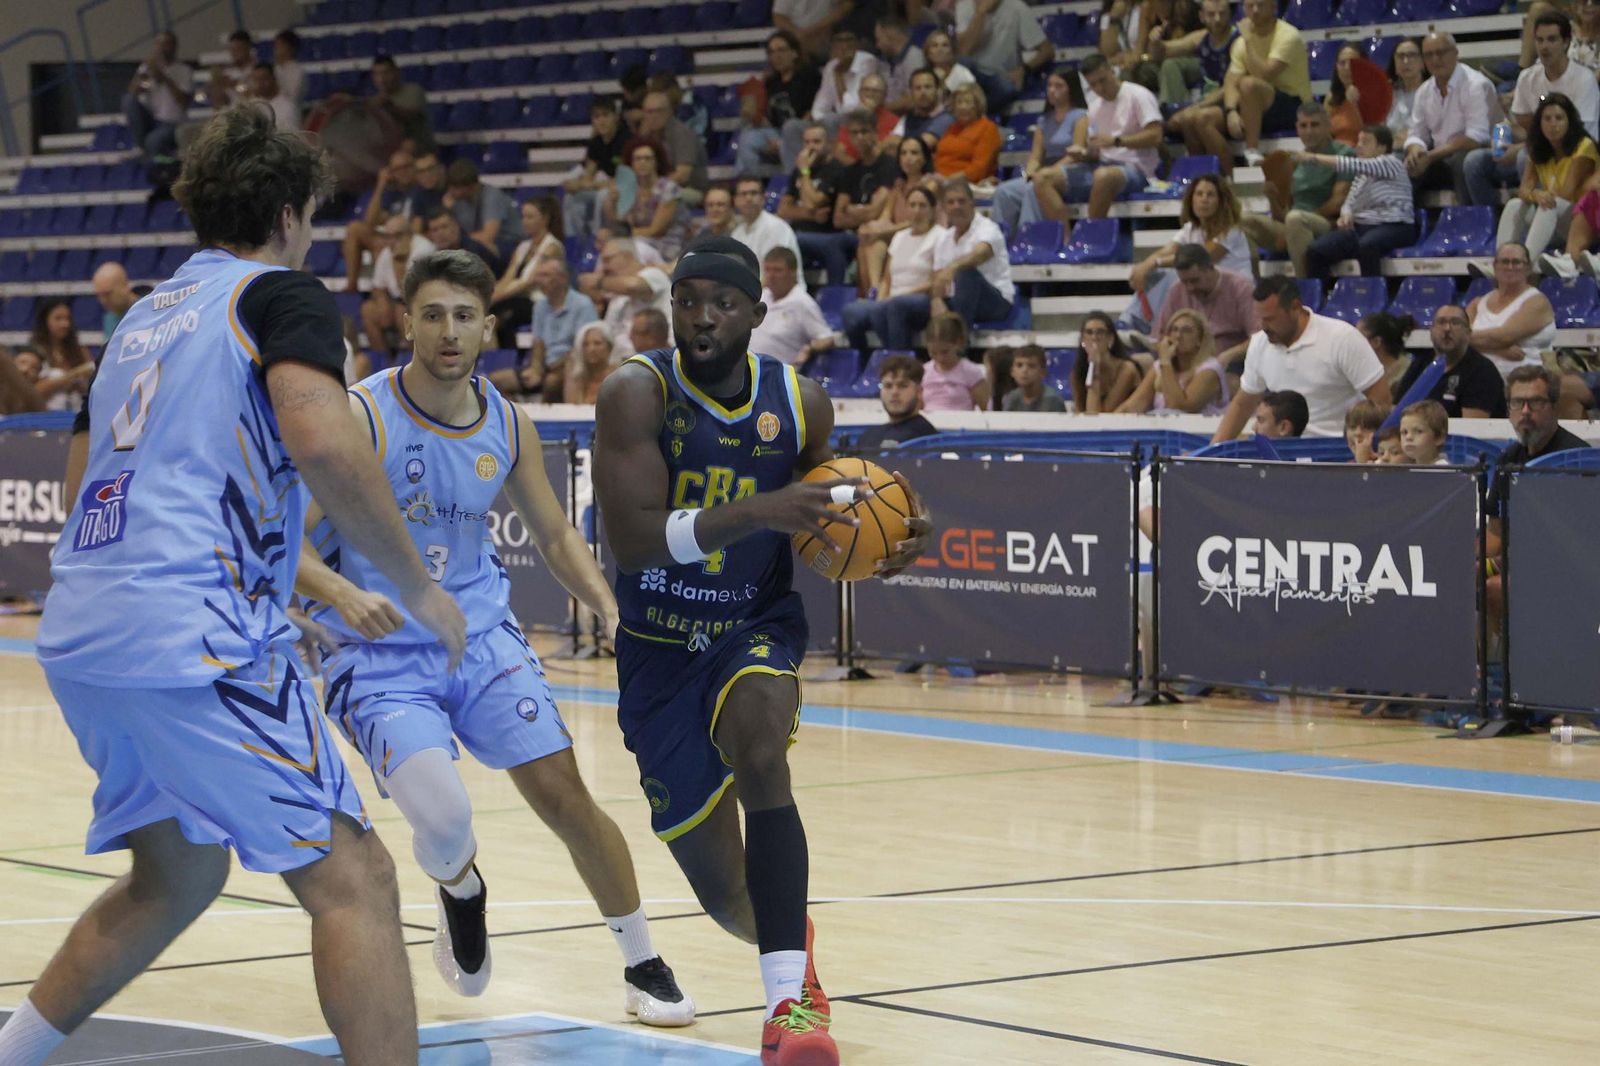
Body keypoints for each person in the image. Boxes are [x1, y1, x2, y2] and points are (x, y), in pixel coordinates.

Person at [0, 105, 468, 1066]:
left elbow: (81, 486)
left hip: (83, 631)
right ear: (293, 214)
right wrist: (421, 589)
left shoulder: (137, 321)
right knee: (357, 878)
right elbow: (326, 444)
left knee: (173, 876)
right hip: (192, 636)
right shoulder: (280, 297)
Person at [294, 250, 690, 1021]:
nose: (449, 331)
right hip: (378, 657)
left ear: (488, 328)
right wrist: (341, 591)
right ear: (406, 320)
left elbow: (554, 533)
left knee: (566, 797)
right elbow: (288, 543)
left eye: (465, 316)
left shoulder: (507, 421)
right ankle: (460, 885)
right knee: (444, 818)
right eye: (433, 314)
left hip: (481, 639)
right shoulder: (360, 417)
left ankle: (643, 962)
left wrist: (608, 606)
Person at [591, 234, 928, 1064]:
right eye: (686, 300)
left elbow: (827, 511)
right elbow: (632, 543)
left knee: (762, 753)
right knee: (729, 895)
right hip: (659, 650)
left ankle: (789, 1011)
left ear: (756, 311)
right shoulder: (635, 392)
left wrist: (882, 542)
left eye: (721, 303)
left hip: (752, 625)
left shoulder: (801, 401)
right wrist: (761, 511)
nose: (701, 317)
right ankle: (793, 952)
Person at [1211, 276, 1390, 441]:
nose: (1263, 327)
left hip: (1337, 449)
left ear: (1295, 307)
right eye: (1260, 319)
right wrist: (1210, 454)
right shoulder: (1259, 344)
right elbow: (1243, 405)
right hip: (1283, 451)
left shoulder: (1342, 339)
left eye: (1270, 319)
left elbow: (1381, 401)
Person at [1465, 12, 1600, 210]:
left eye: (1552, 39)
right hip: (1534, 148)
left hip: (1569, 158)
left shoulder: (1584, 79)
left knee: (1527, 156)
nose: (1544, 46)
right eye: (1540, 40)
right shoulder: (1527, 78)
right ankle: (1488, 223)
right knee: (1473, 161)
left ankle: (1538, 218)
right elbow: (1522, 125)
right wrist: (1503, 143)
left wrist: (1522, 147)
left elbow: (1579, 138)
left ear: (1566, 42)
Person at [1031, 54, 1162, 223]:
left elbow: (1156, 135)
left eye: (1103, 81)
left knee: (1103, 176)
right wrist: (1084, 154)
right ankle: (1065, 240)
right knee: (1042, 178)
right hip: (1101, 164)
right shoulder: (1094, 108)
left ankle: (1092, 235)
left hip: (1137, 169)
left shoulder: (1138, 95)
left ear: (1111, 71)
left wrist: (1116, 141)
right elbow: (1097, 151)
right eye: (1093, 85)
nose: (1100, 88)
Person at [1237, 103, 1352, 278]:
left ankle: (1306, 288)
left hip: (1329, 225)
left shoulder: (1343, 154)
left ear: (1328, 125)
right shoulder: (1294, 161)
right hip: (1295, 223)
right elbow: (1281, 216)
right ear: (1297, 128)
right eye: (1303, 125)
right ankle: (1253, 285)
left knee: (1296, 219)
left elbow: (1338, 202)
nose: (1309, 131)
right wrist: (1272, 199)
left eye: (1315, 125)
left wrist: (1294, 224)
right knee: (1243, 219)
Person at [1126, 172, 1248, 330]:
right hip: (1202, 286)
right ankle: (1129, 322)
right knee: (1153, 275)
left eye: (1210, 195)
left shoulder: (1231, 231)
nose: (1204, 199)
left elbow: (1201, 257)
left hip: (1231, 290)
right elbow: (1167, 250)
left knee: (1176, 276)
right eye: (1199, 194)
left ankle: (1149, 327)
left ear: (1221, 201)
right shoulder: (1190, 229)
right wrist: (1144, 266)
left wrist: (1155, 262)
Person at [1300, 124, 1418, 279]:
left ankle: (1370, 296)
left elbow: (1352, 164)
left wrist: (1315, 157)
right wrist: (1346, 214)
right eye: (1359, 141)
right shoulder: (1361, 176)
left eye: (1365, 142)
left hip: (1396, 226)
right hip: (1362, 228)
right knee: (1316, 250)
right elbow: (1349, 202)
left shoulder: (1392, 162)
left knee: (1367, 245)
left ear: (1382, 148)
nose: (1359, 146)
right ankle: (1326, 296)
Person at [841, 184, 943, 350]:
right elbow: (887, 279)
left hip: (921, 299)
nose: (917, 211)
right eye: (912, 205)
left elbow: (936, 281)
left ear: (932, 210)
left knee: (893, 307)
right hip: (892, 300)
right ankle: (866, 361)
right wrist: (881, 300)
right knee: (851, 312)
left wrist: (894, 299)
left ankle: (899, 361)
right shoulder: (900, 237)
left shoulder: (940, 236)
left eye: (922, 206)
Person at [1403, 33, 1501, 204]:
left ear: (1455, 53)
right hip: (1440, 157)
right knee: (1402, 163)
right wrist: (1415, 150)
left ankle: (1472, 222)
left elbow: (1477, 137)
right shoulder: (1424, 91)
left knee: (1464, 159)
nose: (1435, 59)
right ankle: (1403, 224)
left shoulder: (1476, 85)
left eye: (1441, 53)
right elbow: (1416, 134)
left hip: (1483, 155)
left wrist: (1430, 156)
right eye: (1429, 55)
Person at [1503, 93, 1600, 265]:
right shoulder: (1538, 149)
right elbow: (1524, 190)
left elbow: (1566, 194)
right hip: (1556, 219)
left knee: (1550, 206)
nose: (1553, 124)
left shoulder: (1584, 146)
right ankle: (1501, 260)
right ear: (1539, 123)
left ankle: (1525, 264)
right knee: (1514, 205)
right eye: (1547, 118)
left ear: (1569, 121)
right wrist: (1536, 195)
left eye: (1559, 118)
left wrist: (1540, 196)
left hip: (1584, 221)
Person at [990, 66, 1089, 232]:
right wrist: (1030, 172)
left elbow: (1075, 154)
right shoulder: (1043, 121)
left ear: (1071, 89)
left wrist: (1046, 173)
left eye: (1058, 86)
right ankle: (1001, 240)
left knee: (1033, 189)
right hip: (1043, 172)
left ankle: (1029, 239)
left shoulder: (1081, 116)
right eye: (1049, 85)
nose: (1052, 90)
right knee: (1003, 191)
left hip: (1069, 171)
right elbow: (1036, 156)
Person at [1154, 243, 1259, 371]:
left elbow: (1258, 338)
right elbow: (1161, 336)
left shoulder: (1241, 288)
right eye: (1184, 282)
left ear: (1210, 268)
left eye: (1194, 281)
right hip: (1186, 362)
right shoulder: (1176, 290)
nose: (1189, 288)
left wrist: (1229, 355)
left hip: (1230, 363)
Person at [854, 136, 939, 291]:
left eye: (914, 153)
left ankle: (874, 293)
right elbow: (885, 218)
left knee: (876, 239)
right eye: (904, 153)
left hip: (922, 235)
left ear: (924, 158)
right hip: (898, 236)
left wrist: (881, 231)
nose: (908, 158)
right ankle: (873, 290)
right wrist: (869, 228)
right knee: (868, 242)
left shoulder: (931, 184)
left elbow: (916, 220)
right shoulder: (898, 186)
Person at [929, 177, 1014, 329]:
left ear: (972, 203)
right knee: (909, 306)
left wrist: (952, 268)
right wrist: (936, 300)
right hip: (958, 299)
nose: (956, 206)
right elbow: (938, 277)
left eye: (961, 201)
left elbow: (979, 255)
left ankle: (961, 344)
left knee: (965, 274)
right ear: (944, 208)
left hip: (995, 301)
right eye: (951, 202)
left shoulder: (988, 228)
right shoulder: (943, 237)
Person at [1164, 0, 1243, 164]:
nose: (1217, 19)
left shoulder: (1238, 40)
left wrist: (1197, 106)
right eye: (1211, 14)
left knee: (1200, 118)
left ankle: (1227, 178)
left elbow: (1231, 85)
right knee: (1185, 119)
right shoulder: (1201, 37)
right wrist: (1155, 42)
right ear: (1201, 16)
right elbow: (1164, 51)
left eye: (1222, 14)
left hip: (1233, 101)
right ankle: (1201, 174)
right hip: (1208, 101)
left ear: (1230, 14)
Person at [1466, 242, 1557, 381]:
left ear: (1528, 268)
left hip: (1526, 383)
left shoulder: (1537, 302)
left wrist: (1476, 343)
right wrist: (1498, 350)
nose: (1510, 267)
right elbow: (1456, 338)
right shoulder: (1477, 304)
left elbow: (1503, 337)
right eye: (1504, 262)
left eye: (1516, 262)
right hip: (1479, 382)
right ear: (1495, 267)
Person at [832, 109, 902, 281]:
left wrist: (852, 209)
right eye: (854, 133)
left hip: (877, 232)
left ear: (875, 133)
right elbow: (838, 218)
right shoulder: (850, 171)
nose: (860, 137)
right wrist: (863, 211)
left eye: (864, 131)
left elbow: (875, 213)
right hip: (852, 234)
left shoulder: (889, 165)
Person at [738, 31, 821, 178]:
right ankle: (747, 180)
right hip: (777, 132)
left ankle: (792, 182)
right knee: (747, 134)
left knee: (791, 126)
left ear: (794, 53)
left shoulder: (809, 77)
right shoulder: (771, 82)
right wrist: (753, 114)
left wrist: (785, 140)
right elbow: (770, 119)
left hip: (802, 132)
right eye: (772, 52)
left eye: (781, 50)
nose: (776, 56)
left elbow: (815, 112)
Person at [1116, 308, 1230, 415]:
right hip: (1164, 432)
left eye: (1186, 331)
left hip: (1200, 433)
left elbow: (1178, 408)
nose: (1178, 336)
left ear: (1199, 340)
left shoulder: (1210, 368)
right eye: (1174, 330)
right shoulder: (1159, 367)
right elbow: (1133, 405)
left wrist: (1165, 361)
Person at [781, 122, 855, 286]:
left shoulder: (836, 169)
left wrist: (805, 172)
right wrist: (811, 215)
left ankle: (835, 294)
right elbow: (783, 210)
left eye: (816, 142)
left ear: (829, 143)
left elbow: (815, 201)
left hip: (827, 233)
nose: (811, 147)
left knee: (804, 241)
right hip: (800, 232)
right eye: (807, 142)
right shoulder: (798, 170)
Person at [953, 0, 1055, 114]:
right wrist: (981, 13)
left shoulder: (1017, 7)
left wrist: (1024, 69)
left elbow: (1047, 51)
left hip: (1001, 77)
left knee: (1007, 88)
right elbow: (964, 50)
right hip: (974, 73)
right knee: (961, 62)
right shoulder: (964, 5)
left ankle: (974, 118)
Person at [516, 258, 597, 401]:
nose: (539, 280)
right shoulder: (540, 306)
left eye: (546, 275)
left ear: (563, 278)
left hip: (572, 365)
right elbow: (538, 342)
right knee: (500, 380)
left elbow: (581, 347)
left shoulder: (583, 304)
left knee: (551, 382)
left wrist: (550, 368)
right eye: (539, 275)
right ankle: (514, 419)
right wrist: (536, 369)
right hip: (546, 366)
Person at [580, 238, 673, 362]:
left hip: (660, 360)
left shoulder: (654, 274)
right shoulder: (618, 298)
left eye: (607, 260)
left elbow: (632, 285)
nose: (604, 268)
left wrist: (598, 282)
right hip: (624, 363)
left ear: (627, 256)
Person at [342, 150, 420, 293]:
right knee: (354, 228)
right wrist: (381, 184)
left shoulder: (421, 190)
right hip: (391, 238)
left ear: (414, 167)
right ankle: (351, 286)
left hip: (412, 239)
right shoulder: (392, 194)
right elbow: (369, 222)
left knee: (382, 248)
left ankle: (386, 294)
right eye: (396, 169)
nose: (402, 172)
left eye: (406, 167)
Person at [605, 139, 691, 262]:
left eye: (647, 158)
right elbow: (620, 222)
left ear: (656, 162)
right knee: (609, 248)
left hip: (668, 247)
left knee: (629, 248)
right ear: (631, 163)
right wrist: (613, 202)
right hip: (638, 241)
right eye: (638, 159)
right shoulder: (630, 189)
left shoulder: (668, 188)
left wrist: (623, 236)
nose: (642, 162)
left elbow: (655, 231)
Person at [751, 247, 836, 366]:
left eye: (777, 270)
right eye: (767, 270)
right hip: (748, 369)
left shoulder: (802, 302)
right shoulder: (762, 297)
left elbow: (827, 338)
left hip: (778, 374)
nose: (771, 275)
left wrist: (809, 348)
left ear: (793, 272)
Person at [122, 30, 193, 168]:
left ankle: (149, 155)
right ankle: (144, 150)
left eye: (166, 44)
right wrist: (143, 74)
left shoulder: (184, 70)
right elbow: (132, 92)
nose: (162, 48)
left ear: (174, 46)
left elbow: (184, 102)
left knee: (153, 141)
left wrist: (165, 77)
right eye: (159, 44)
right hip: (152, 119)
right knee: (128, 100)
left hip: (173, 122)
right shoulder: (148, 68)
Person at [564, 98, 631, 243]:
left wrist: (589, 184)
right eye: (596, 117)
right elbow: (588, 174)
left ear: (615, 117)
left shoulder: (627, 140)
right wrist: (579, 184)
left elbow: (625, 180)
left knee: (602, 196)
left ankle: (598, 240)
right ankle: (577, 242)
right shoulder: (595, 143)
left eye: (605, 115)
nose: (601, 121)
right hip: (604, 186)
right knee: (571, 199)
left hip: (625, 190)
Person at [731, 174, 807, 291]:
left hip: (783, 298)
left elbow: (774, 275)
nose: (749, 198)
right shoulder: (736, 234)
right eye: (743, 194)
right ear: (735, 201)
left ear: (763, 198)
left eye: (754, 193)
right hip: (755, 298)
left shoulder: (776, 227)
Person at [444, 159, 524, 265]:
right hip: (473, 244)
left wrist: (457, 239)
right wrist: (447, 210)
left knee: (475, 247)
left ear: (471, 187)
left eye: (455, 188)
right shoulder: (455, 200)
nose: (451, 191)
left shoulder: (492, 196)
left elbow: (488, 236)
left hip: (509, 245)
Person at [853, 353, 939, 449]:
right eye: (888, 386)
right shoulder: (868, 436)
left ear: (919, 392)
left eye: (902, 385)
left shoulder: (927, 439)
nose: (894, 392)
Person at [639, 91, 710, 206]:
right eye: (649, 112)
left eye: (659, 111)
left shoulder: (682, 134)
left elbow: (683, 174)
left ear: (669, 112)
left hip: (691, 190)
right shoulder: (646, 136)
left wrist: (654, 186)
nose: (653, 116)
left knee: (663, 193)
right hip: (659, 187)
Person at [28, 298, 94, 412]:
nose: (65, 324)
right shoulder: (34, 352)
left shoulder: (80, 350)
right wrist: (74, 375)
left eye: (67, 319)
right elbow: (33, 392)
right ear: (45, 321)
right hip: (46, 416)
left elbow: (94, 385)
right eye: (58, 319)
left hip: (77, 413)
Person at [1072, 311, 1141, 412]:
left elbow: (1101, 415)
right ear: (1083, 340)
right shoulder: (1077, 373)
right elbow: (1081, 413)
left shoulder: (1126, 369)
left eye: (1100, 332)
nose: (1094, 337)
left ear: (1111, 339)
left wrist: (1094, 368)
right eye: (1089, 332)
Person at [932, 83, 1002, 182]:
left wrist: (947, 181)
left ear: (978, 105)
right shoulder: (952, 128)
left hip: (965, 184)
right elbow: (939, 158)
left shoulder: (987, 128)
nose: (962, 107)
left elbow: (978, 170)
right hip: (939, 179)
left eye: (968, 102)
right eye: (959, 102)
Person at [920, 312, 989, 410]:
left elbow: (986, 408)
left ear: (958, 343)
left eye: (945, 352)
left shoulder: (971, 372)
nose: (940, 358)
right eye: (933, 353)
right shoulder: (924, 372)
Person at [370, 54, 434, 154]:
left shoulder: (414, 91)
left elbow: (409, 116)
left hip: (420, 153)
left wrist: (387, 106)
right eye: (377, 74)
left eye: (386, 73)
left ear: (396, 72)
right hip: (393, 156)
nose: (381, 79)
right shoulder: (375, 102)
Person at [888, 68, 956, 155]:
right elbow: (890, 142)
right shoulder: (908, 117)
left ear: (937, 90)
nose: (923, 92)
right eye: (918, 88)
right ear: (911, 92)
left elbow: (920, 146)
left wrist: (896, 145)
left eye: (928, 87)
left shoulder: (946, 118)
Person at [1355, 310, 1417, 398]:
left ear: (1376, 342)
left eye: (1358, 338)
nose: (1352, 344)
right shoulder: (1361, 369)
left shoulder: (1407, 376)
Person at [425, 206, 501, 275]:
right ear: (430, 235)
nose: (441, 233)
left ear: (456, 226)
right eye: (435, 230)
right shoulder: (433, 255)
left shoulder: (473, 250)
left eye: (444, 227)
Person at [876, 14, 926, 114]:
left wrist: (880, 110)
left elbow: (912, 100)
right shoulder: (886, 59)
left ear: (890, 36)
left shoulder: (914, 57)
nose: (877, 45)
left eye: (878, 39)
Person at [562, 320, 620, 404]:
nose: (591, 349)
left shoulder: (618, 376)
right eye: (586, 344)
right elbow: (570, 406)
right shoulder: (578, 377)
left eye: (597, 343)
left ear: (609, 347)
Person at [775, 0, 854, 59]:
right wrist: (799, 34)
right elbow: (778, 17)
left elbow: (847, 5)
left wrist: (816, 29)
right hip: (796, 39)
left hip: (827, 37)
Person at [1385, 37, 1427, 143]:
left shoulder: (1431, 92)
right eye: (1400, 56)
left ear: (1423, 62)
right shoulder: (1388, 94)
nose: (1405, 61)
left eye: (1412, 55)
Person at [1002, 344, 1067, 412]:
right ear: (1012, 372)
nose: (1024, 370)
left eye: (1031, 366)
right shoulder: (1011, 398)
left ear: (1043, 372)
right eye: (1019, 365)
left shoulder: (1053, 400)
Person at [923, 29, 978, 104]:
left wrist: (942, 83)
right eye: (935, 45)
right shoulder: (922, 76)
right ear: (928, 53)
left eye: (945, 45)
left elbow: (973, 102)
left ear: (952, 52)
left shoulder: (962, 73)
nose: (940, 49)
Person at [1326, 44, 1364, 147]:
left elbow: (1376, 134)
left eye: (1353, 63)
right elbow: (1326, 134)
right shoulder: (1331, 97)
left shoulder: (1375, 95)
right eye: (1342, 63)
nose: (1347, 68)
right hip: (1335, 155)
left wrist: (1355, 104)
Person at [208, 30, 254, 109]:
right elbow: (219, 102)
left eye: (238, 49)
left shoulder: (258, 69)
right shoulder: (228, 73)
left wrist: (234, 84)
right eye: (232, 50)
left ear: (248, 47)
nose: (234, 53)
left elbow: (257, 95)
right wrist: (217, 84)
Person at [246, 62, 297, 130]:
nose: (260, 83)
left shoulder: (288, 107)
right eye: (256, 79)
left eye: (263, 78)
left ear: (273, 79)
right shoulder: (251, 104)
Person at [1398, 398, 1450, 464]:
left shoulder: (1443, 471)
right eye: (1404, 432)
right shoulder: (1409, 468)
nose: (1408, 437)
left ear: (1439, 438)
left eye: (1418, 431)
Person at [91, 261, 137, 337]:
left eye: (107, 294)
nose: (103, 301)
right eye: (100, 295)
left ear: (124, 286)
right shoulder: (109, 319)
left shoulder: (147, 309)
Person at [273, 29, 305, 110]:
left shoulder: (298, 71)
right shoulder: (275, 68)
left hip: (289, 114)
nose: (276, 50)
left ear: (290, 48)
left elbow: (292, 97)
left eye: (279, 46)